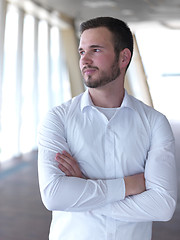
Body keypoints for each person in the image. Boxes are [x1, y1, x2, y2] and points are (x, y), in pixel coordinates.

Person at [38, 17, 177, 240]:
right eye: (82, 51)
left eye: (95, 50)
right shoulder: (58, 119)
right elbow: (54, 196)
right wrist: (129, 185)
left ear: (124, 57)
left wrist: (85, 191)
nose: (85, 60)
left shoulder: (154, 123)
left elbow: (162, 206)